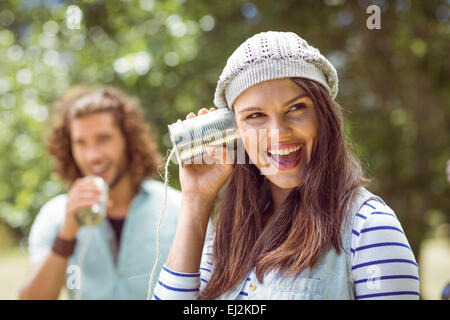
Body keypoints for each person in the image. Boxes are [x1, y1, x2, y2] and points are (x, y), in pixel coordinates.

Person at [152, 31, 420, 300]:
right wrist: (196, 200)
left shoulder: (369, 227)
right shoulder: (228, 238)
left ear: (323, 115)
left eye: (296, 108)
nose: (278, 133)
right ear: (235, 131)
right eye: (255, 116)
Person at [19, 86, 181, 299]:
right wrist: (67, 234)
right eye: (80, 143)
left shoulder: (178, 208)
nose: (93, 156)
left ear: (128, 140)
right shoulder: (55, 216)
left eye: (103, 139)